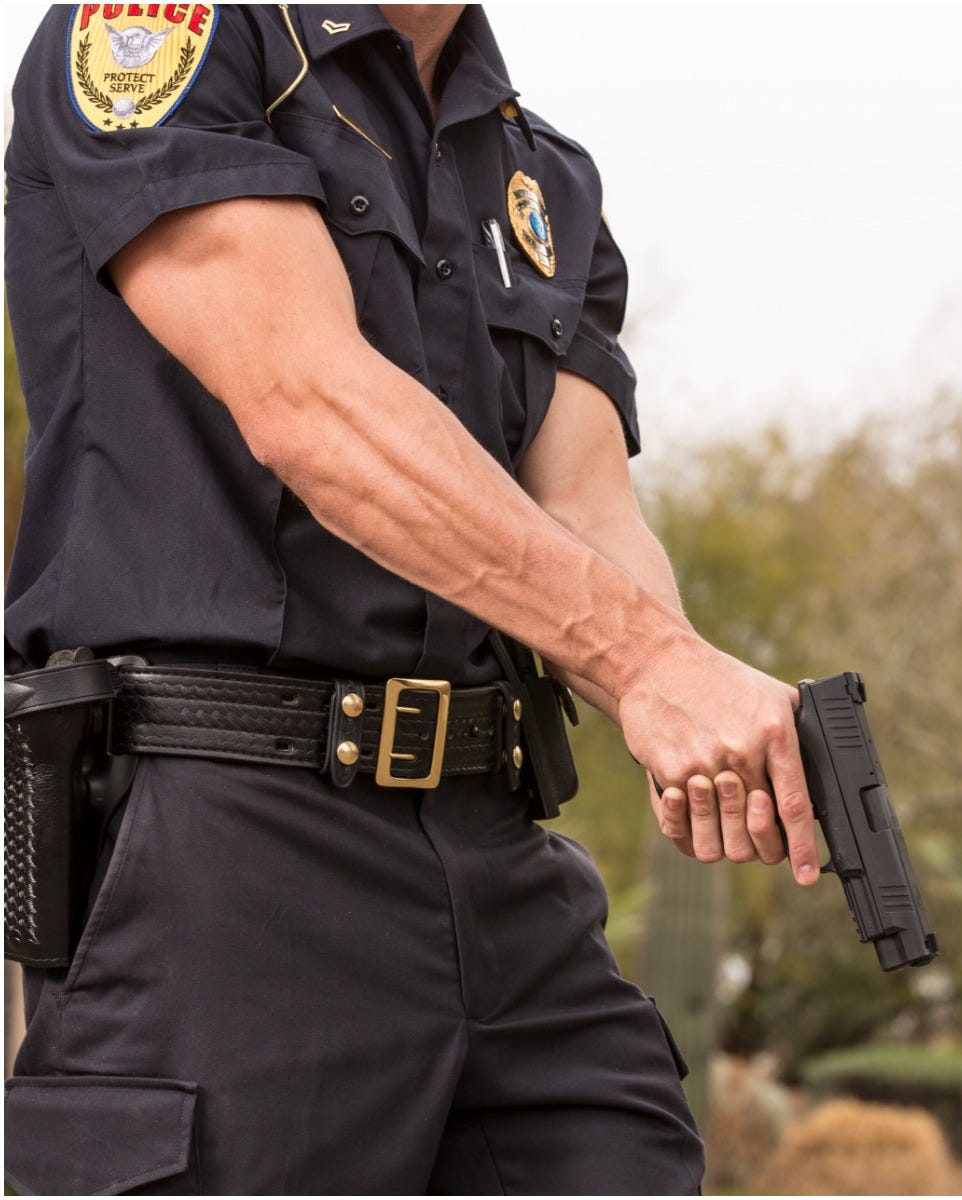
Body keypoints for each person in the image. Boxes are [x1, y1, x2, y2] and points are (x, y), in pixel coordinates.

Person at [4, 5, 812, 1192]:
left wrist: (705, 712)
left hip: (494, 842)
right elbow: (308, 407)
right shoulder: (168, 34)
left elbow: (587, 512)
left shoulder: (538, 172)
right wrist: (648, 667)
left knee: (625, 1148)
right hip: (225, 840)